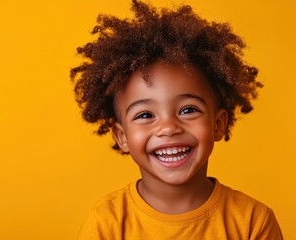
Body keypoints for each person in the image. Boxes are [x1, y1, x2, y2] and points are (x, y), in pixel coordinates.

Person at [70, 0, 283, 239]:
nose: (169, 128)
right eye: (145, 115)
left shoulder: (253, 221)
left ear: (218, 124)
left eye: (188, 110)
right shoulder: (107, 224)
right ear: (122, 137)